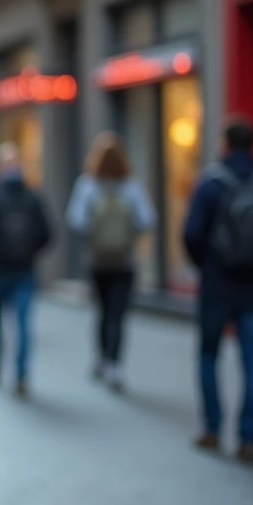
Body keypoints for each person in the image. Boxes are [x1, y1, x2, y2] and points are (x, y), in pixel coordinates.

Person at [183, 116, 253, 465]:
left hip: (217, 285)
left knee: (208, 356)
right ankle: (248, 439)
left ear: (225, 144)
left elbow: (191, 234)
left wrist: (210, 264)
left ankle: (212, 429)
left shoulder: (210, 185)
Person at [65, 132, 156, 392]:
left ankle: (102, 359)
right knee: (118, 313)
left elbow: (76, 220)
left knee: (103, 312)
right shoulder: (132, 186)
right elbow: (147, 220)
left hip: (97, 261)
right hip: (125, 262)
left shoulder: (87, 185)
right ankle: (114, 364)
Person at [0, 143, 53, 397]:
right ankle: (21, 374)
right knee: (22, 324)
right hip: (24, 270)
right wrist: (29, 252)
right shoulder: (32, 197)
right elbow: (47, 235)